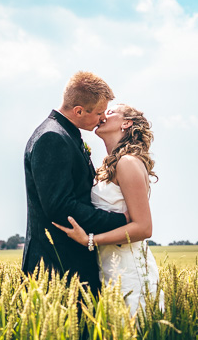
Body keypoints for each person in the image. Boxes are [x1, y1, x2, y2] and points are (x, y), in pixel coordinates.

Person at [22, 71, 129, 294]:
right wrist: (120, 221)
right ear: (78, 111)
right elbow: (62, 208)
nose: (103, 118)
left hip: (71, 264)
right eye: (99, 112)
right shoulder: (52, 138)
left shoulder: (65, 134)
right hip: (56, 267)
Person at [53, 103, 162, 315]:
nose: (103, 115)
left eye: (110, 112)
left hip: (129, 271)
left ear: (127, 123)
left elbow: (144, 228)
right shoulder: (108, 165)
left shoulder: (128, 162)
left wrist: (90, 240)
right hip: (108, 268)